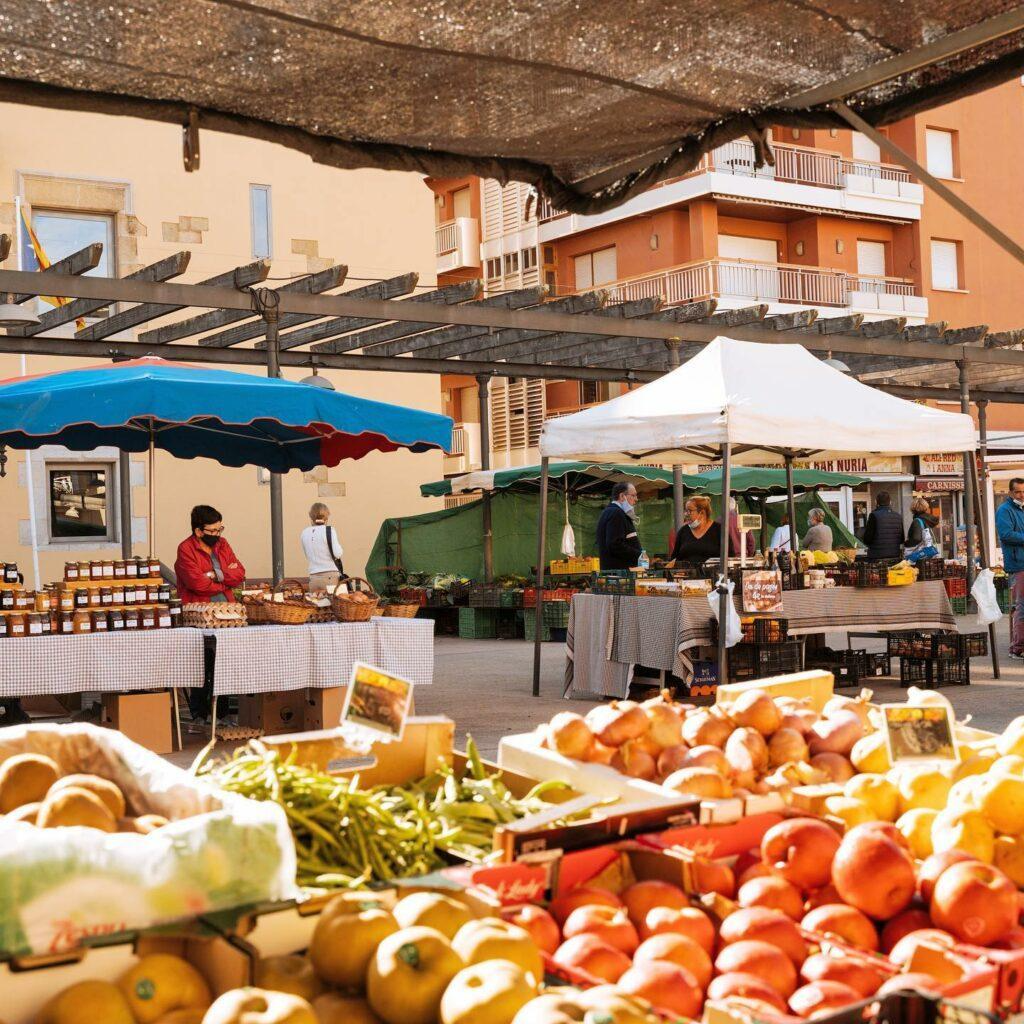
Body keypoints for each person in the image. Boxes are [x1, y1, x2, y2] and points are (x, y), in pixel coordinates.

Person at [174, 505, 246, 603]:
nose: (217, 534)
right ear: (198, 532)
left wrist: (215, 575)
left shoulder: (222, 543)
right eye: (213, 531)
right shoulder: (185, 549)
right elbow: (198, 584)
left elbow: (240, 573)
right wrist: (227, 583)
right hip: (198, 612)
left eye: (220, 529)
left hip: (228, 609)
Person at [996, 478, 1024, 659]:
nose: (1022, 495)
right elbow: (1006, 535)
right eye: (1018, 492)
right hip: (1018, 564)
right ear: (1010, 492)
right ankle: (1018, 647)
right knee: (1022, 607)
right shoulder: (1005, 510)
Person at [596, 482, 642, 570]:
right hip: (619, 574)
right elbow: (615, 544)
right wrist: (639, 555)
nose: (636, 499)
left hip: (615, 572)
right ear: (622, 496)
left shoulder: (610, 512)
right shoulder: (616, 513)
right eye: (633, 495)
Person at [301, 502, 344, 591]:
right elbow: (337, 553)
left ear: (311, 516)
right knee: (331, 604)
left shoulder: (304, 532)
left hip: (313, 578)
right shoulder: (330, 530)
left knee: (315, 603)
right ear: (326, 517)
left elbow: (307, 555)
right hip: (330, 577)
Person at [668, 495, 722, 565]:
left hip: (713, 575)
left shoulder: (719, 530)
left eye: (689, 511)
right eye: (685, 511)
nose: (686, 514)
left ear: (702, 513)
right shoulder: (683, 531)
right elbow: (675, 558)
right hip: (686, 575)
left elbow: (729, 557)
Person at [861, 491, 905, 561]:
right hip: (895, 556)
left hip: (877, 557)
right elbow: (901, 539)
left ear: (876, 502)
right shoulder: (898, 516)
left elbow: (867, 539)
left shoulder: (874, 515)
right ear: (890, 502)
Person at [906, 496, 940, 561]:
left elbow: (917, 538)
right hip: (929, 554)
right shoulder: (929, 520)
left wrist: (907, 543)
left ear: (913, 508)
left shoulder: (917, 521)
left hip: (920, 556)